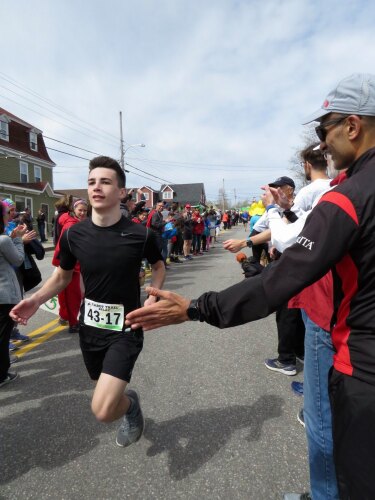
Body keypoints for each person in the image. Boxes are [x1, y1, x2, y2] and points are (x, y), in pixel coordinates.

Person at [125, 74, 375, 498]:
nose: (322, 144)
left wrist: (194, 308)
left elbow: (281, 279)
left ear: (352, 126)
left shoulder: (348, 197)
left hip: (363, 369)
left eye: (323, 131)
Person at [11, 156, 165, 448]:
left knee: (103, 410)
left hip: (126, 328)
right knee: (103, 392)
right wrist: (35, 299)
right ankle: (127, 402)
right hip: (90, 328)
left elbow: (158, 267)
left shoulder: (141, 234)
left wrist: (153, 296)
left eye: (105, 182)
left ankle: (129, 408)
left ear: (121, 192)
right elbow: (61, 276)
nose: (96, 187)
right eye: (91, 182)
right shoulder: (73, 235)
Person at [0, 201, 26, 388]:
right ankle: (2, 374)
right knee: (3, 336)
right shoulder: (4, 240)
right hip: (4, 295)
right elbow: (17, 259)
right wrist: (17, 239)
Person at [52, 199, 88, 333]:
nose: (83, 213)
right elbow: (65, 246)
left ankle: (64, 317)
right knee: (73, 295)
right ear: (74, 210)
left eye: (85, 210)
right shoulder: (71, 225)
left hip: (74, 264)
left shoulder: (75, 222)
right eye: (80, 210)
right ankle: (73, 323)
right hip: (72, 265)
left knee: (66, 293)